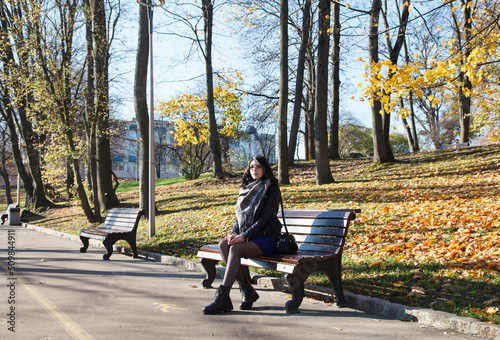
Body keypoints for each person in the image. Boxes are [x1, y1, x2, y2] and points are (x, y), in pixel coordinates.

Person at [203, 155, 282, 315]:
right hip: (251, 237)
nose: (255, 170)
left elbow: (266, 219)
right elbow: (240, 217)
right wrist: (234, 233)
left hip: (267, 238)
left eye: (258, 167)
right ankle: (247, 290)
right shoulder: (247, 188)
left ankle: (224, 295)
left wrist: (244, 236)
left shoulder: (272, 189)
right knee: (224, 244)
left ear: (265, 169)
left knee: (235, 249)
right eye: (252, 167)